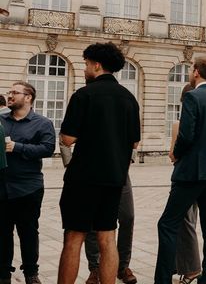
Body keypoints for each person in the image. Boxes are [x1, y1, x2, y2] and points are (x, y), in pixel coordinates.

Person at [57, 43, 140, 284]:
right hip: (115, 177)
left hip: (83, 178)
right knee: (107, 237)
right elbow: (134, 143)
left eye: (85, 64)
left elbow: (68, 138)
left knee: (74, 237)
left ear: (96, 65)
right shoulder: (129, 99)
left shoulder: (84, 95)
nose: (84, 69)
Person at [154, 57, 206, 284]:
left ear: (196, 72)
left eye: (191, 69)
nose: (190, 73)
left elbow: (185, 135)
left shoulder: (192, 97)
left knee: (167, 223)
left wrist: (177, 153)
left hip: (191, 172)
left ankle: (162, 280)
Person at [0, 81, 55, 284]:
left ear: (28, 97)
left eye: (15, 92)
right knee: (2, 233)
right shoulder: (0, 120)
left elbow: (47, 149)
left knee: (28, 232)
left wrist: (18, 147)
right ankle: (4, 274)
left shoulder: (42, 123)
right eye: (9, 92)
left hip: (28, 188)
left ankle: (31, 273)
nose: (10, 95)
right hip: (2, 186)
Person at [169, 84, 201, 284]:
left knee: (182, 221)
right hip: (204, 177)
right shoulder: (205, 123)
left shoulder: (178, 124)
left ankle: (192, 269)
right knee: (191, 219)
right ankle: (180, 264)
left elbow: (173, 155)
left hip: (183, 176)